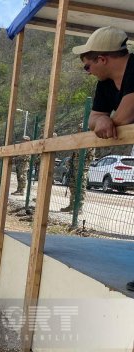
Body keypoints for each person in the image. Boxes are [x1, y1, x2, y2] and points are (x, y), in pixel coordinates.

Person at [72, 27, 134, 291]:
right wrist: (103, 120)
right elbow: (94, 120)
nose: (88, 72)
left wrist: (108, 121)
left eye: (87, 67)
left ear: (102, 59)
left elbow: (125, 116)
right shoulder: (105, 85)